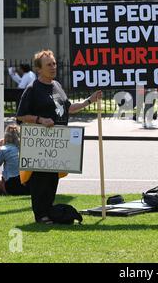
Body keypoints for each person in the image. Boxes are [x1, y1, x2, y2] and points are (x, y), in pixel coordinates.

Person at [16, 49, 102, 224]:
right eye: (49, 64)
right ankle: (41, 215)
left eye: (54, 63)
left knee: (52, 180)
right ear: (39, 69)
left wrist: (89, 100)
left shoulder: (57, 86)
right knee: (40, 180)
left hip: (58, 143)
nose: (53, 67)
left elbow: (68, 108)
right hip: (40, 144)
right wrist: (40, 119)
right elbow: (20, 116)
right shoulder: (32, 89)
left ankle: (48, 211)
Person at [0, 124, 30, 195]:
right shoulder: (26, 148)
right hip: (28, 185)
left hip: (12, 186)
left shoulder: (4, 149)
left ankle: (0, 192)